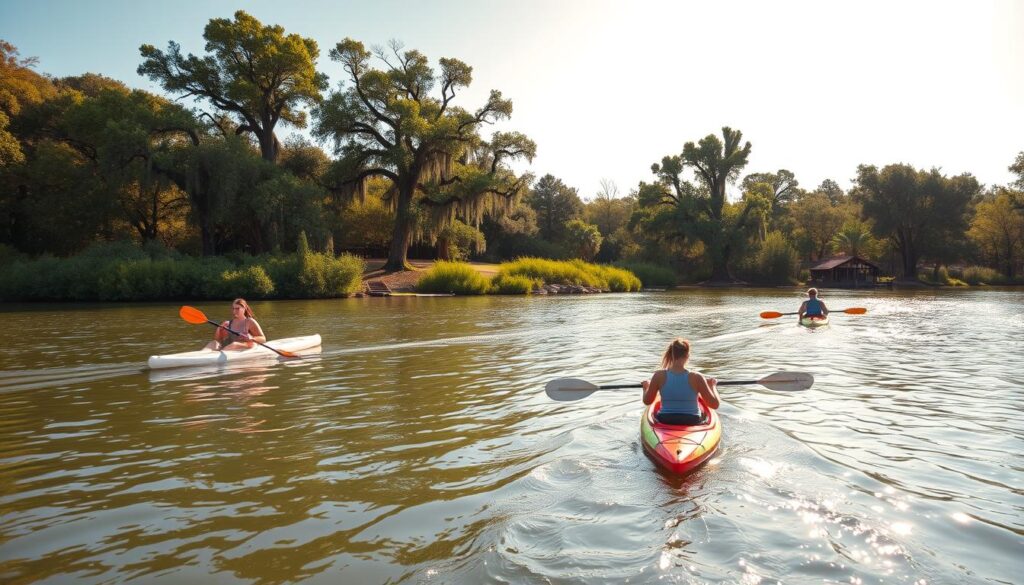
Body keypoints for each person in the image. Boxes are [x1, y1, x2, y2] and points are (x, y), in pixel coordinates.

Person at [641, 338, 720, 425]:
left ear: (671, 355)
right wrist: (712, 386)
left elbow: (647, 401)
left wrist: (646, 387)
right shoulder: (697, 377)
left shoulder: (658, 376)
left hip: (666, 419)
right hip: (691, 420)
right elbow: (715, 405)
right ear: (687, 355)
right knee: (704, 414)